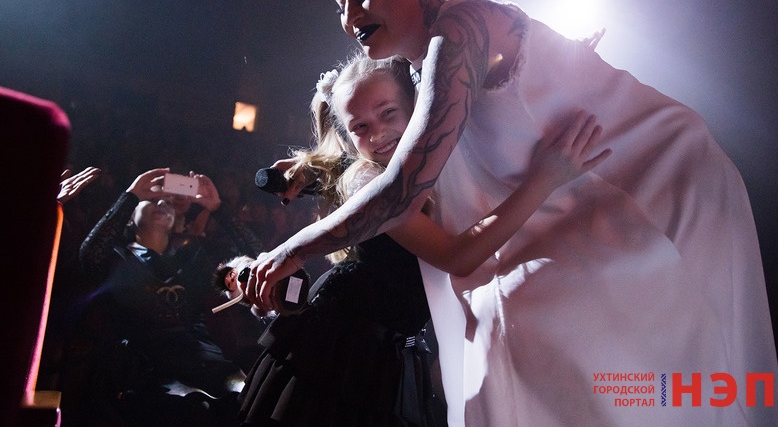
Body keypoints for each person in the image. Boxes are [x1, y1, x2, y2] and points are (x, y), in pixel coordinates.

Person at [246, 0, 778, 426]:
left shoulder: (461, 29)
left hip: (657, 184)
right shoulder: (424, 64)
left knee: (680, 360)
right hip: (576, 207)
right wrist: (315, 171)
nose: (349, 18)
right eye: (340, 3)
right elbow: (394, 164)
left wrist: (293, 249)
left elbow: (403, 186)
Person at [236, 54, 609, 427]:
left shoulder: (434, 166)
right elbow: (457, 257)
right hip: (340, 346)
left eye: (388, 113)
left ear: (418, 108)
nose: (378, 134)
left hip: (395, 345)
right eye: (360, 127)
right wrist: (544, 180)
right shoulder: (365, 179)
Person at [78, 168, 264, 427]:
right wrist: (130, 196)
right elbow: (90, 254)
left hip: (201, 357)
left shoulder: (193, 257)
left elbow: (259, 259)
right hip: (144, 366)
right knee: (191, 407)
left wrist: (217, 208)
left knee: (250, 394)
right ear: (130, 218)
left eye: (166, 202)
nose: (161, 204)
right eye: (152, 200)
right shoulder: (119, 258)